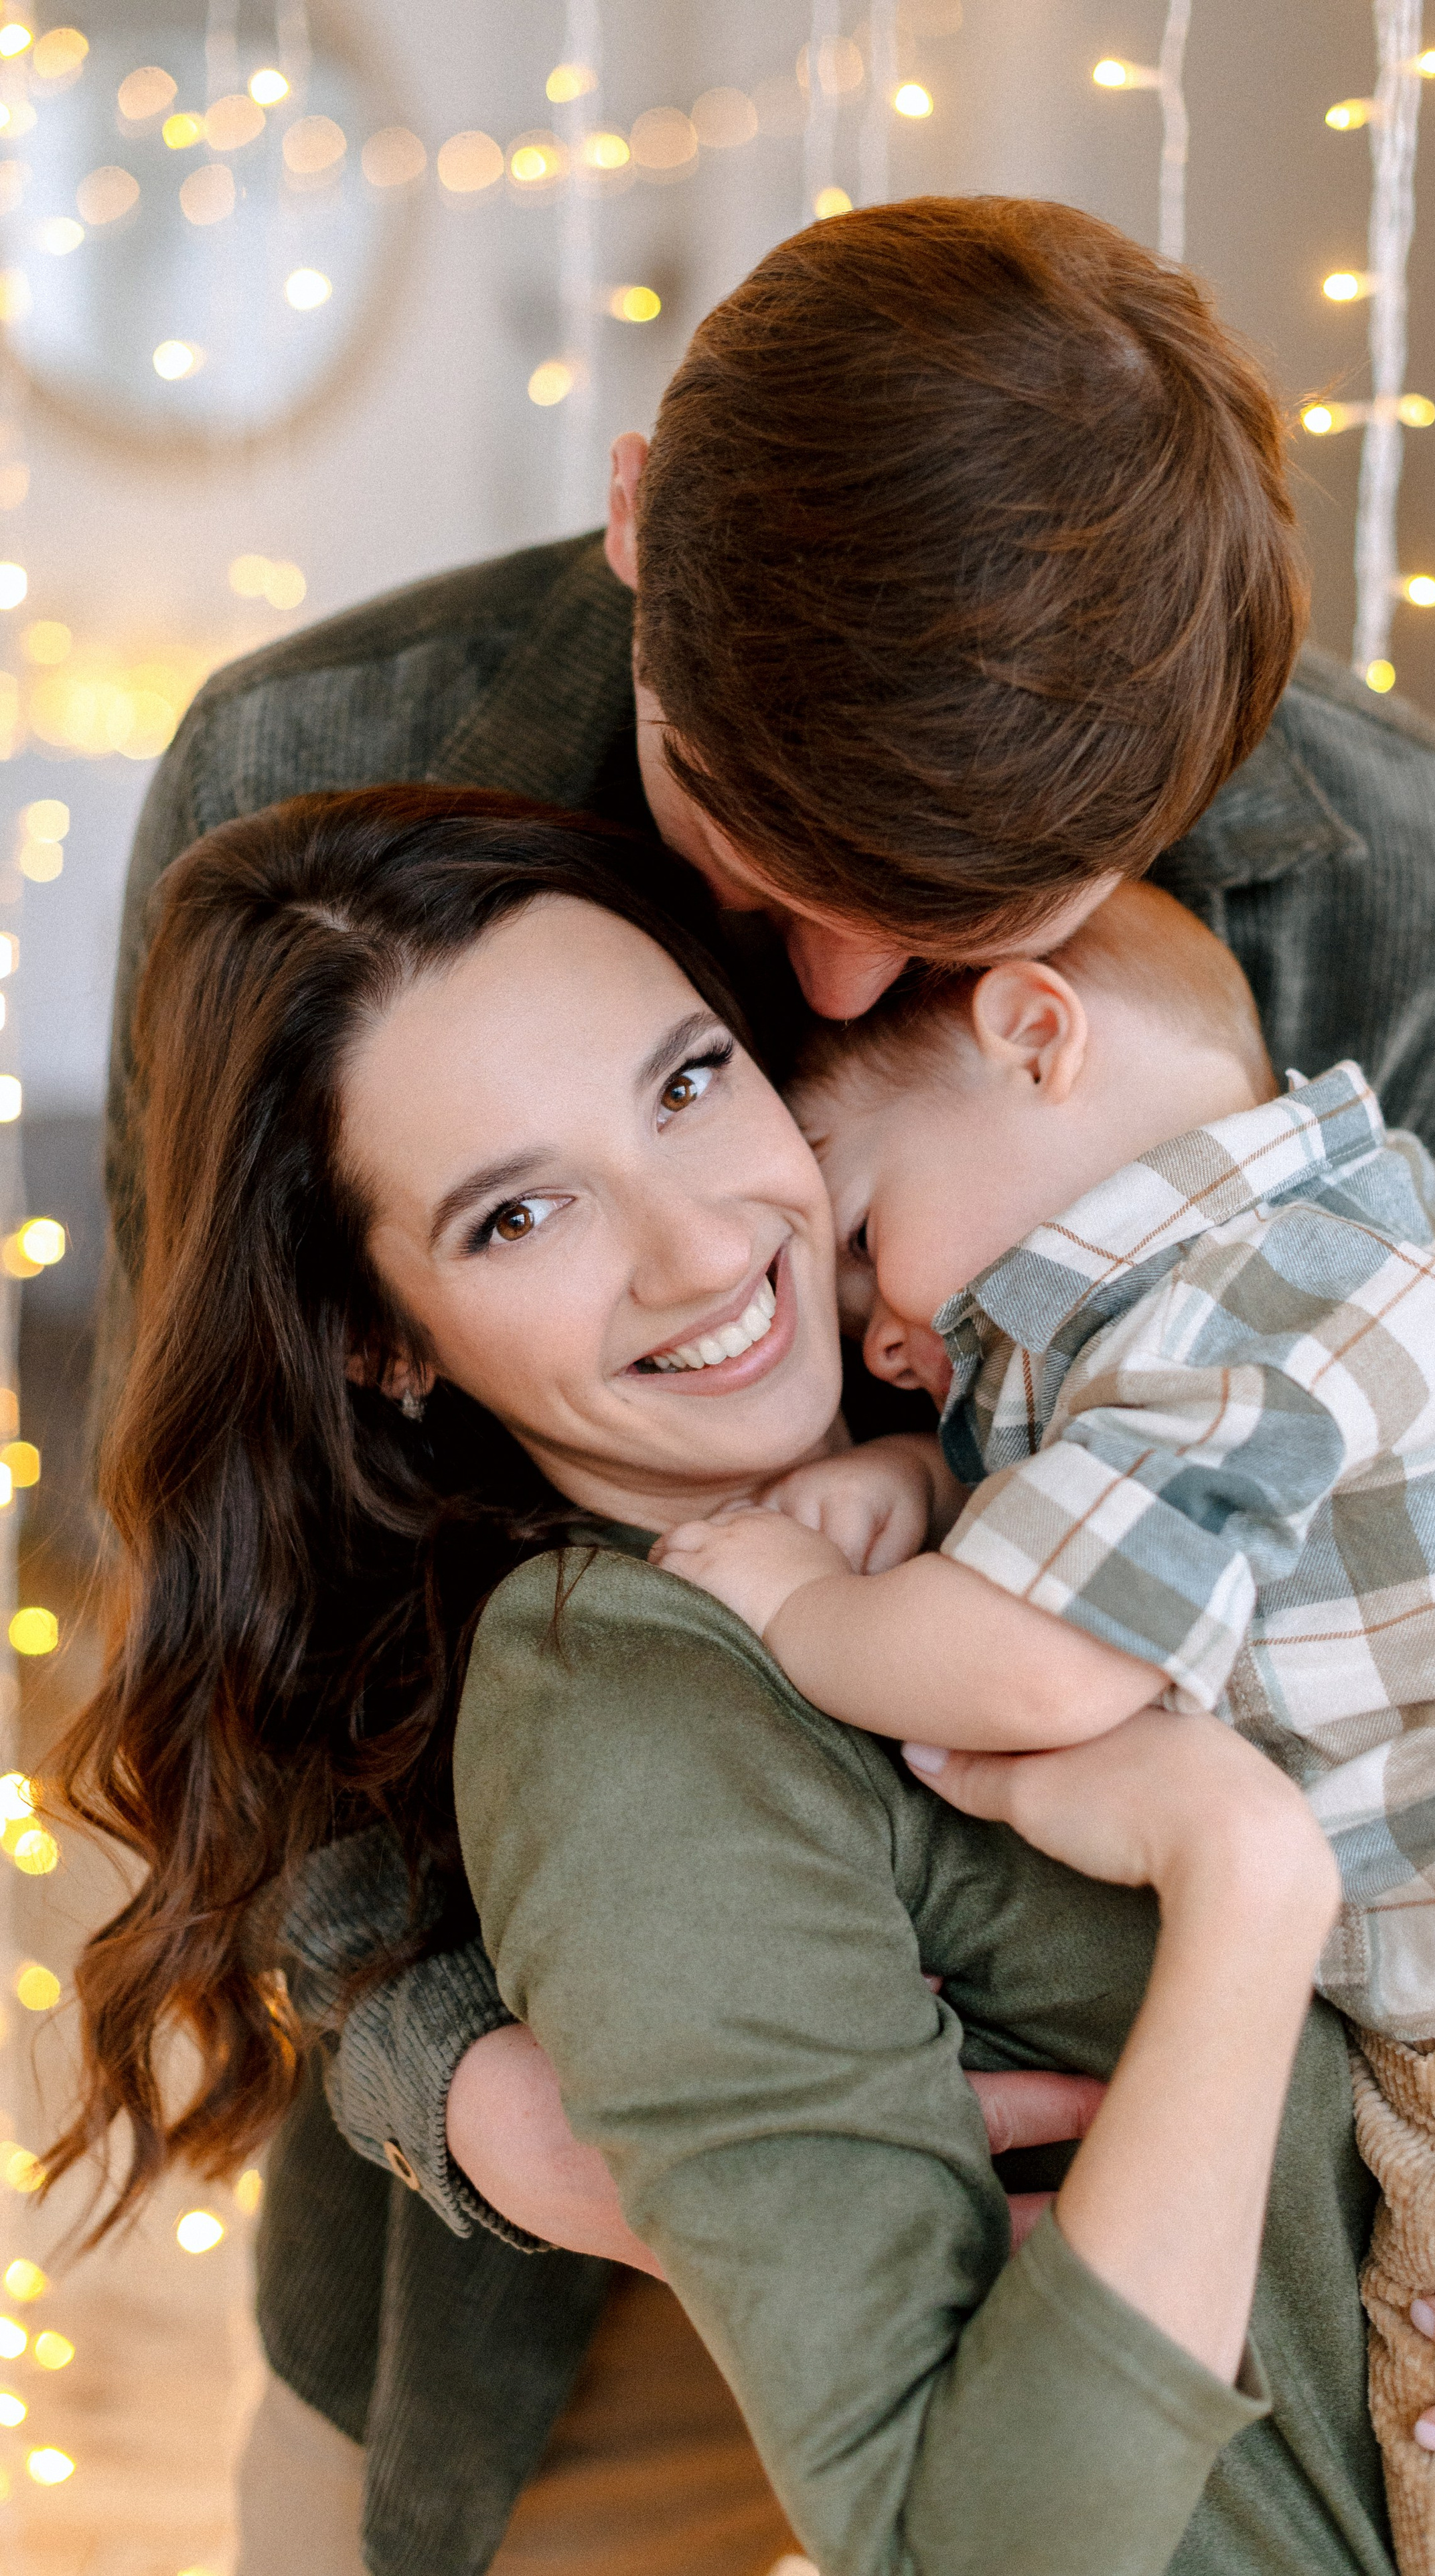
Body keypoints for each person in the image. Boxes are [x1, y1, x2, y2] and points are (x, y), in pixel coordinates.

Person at [94, 197, 1435, 2572]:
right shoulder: (316, 772)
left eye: (976, 925)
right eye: (750, 849)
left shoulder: (1411, 879)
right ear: (641, 516)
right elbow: (243, 1592)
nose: (834, 985)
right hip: (569, 2237)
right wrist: (476, 2088)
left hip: (1256, 2235)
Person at [60, 789, 1347, 2576]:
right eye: (518, 1216)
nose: (701, 1248)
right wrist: (1246, 1882)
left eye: (685, 1084)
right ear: (385, 1342)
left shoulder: (1037, 1393)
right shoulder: (626, 1702)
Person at [654, 877, 1435, 2575]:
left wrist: (790, 1596)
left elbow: (1043, 1665)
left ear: (1034, 1036)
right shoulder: (1331, 1234)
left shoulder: (1211, 1321)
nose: (872, 1329)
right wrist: (920, 1472)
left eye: (860, 1230)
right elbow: (1184, 1514)